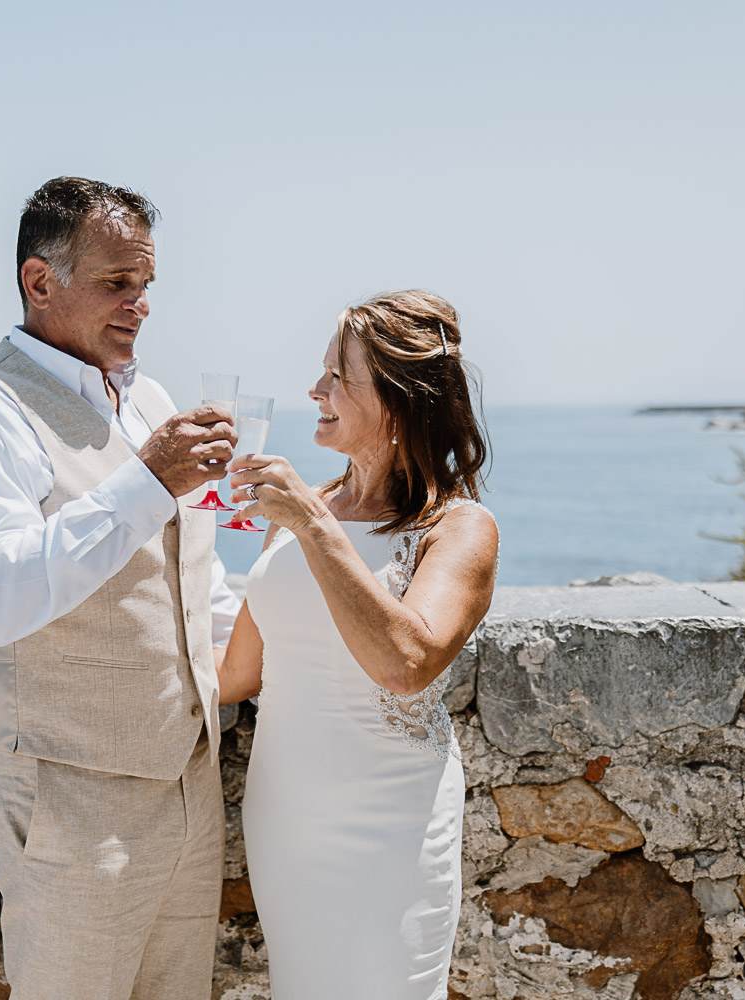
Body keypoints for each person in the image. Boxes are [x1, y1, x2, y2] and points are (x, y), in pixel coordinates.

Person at [0, 176, 241, 1000]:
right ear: (40, 281)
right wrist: (148, 480)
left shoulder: (152, 401)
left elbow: (193, 587)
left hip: (190, 783)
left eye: (146, 283)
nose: (140, 304)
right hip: (73, 794)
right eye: (116, 282)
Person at [218, 289, 498, 999]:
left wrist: (313, 525)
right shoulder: (304, 508)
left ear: (400, 400)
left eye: (338, 377)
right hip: (285, 816)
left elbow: (405, 664)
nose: (315, 390)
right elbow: (236, 675)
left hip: (392, 826)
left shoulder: (460, 528)